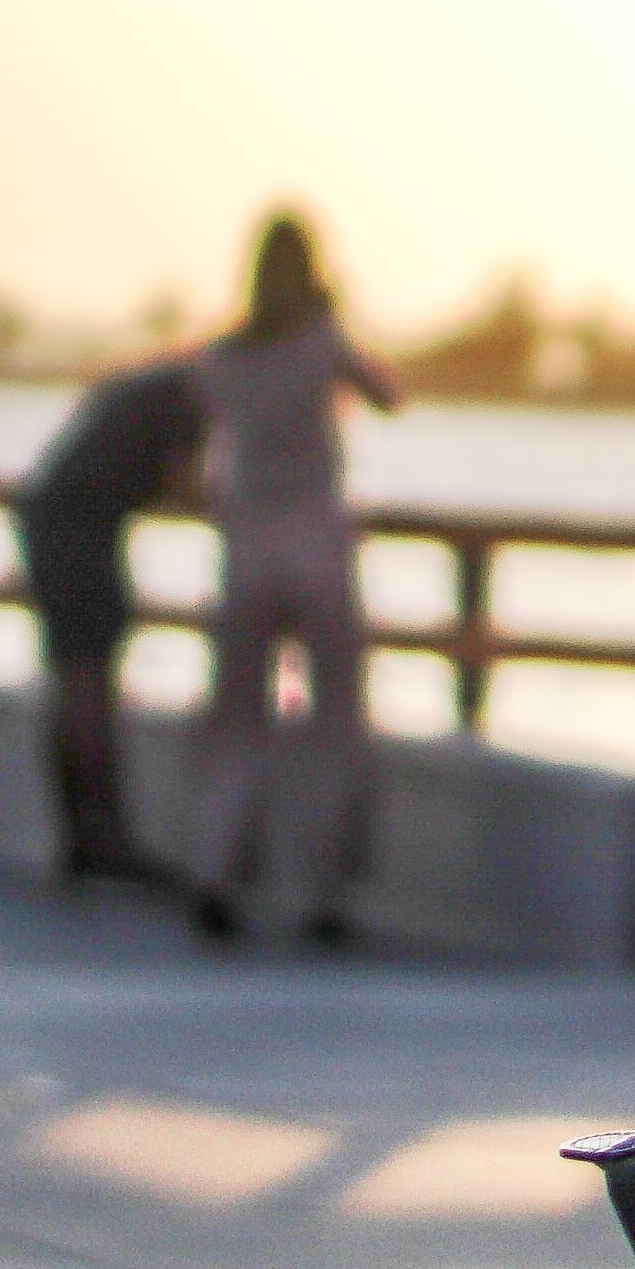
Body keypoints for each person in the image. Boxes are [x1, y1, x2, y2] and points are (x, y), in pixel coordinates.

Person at [183, 212, 401, 944]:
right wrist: (339, 322)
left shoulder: (223, 355)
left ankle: (215, 872)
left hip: (245, 545)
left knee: (236, 723)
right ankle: (324, 895)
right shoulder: (322, 344)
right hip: (314, 542)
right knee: (333, 723)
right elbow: (388, 395)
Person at [7, 351, 203, 886]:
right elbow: (183, 484)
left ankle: (81, 840)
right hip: (79, 531)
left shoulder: (148, 383)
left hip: (52, 519)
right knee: (88, 679)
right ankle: (104, 840)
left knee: (74, 677)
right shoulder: (187, 400)